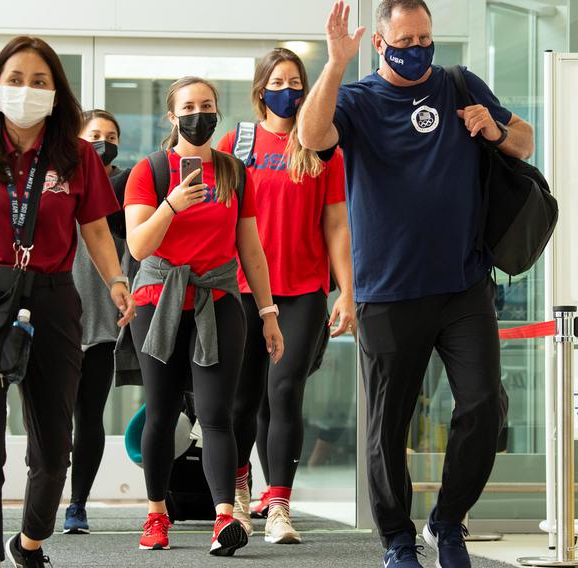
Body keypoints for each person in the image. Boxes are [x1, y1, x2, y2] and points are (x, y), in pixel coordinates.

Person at [296, 2, 534, 567]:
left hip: (464, 285)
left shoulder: (456, 84)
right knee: (387, 427)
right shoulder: (356, 100)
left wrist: (494, 128)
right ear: (380, 44)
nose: (419, 47)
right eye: (406, 39)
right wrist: (334, 65)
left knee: (483, 407)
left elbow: (523, 142)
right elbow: (310, 135)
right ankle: (397, 539)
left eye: (426, 37)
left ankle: (447, 522)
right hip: (388, 290)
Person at [0, 36, 136, 568]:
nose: (26, 90)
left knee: (54, 443)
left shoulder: (77, 155)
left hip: (53, 297)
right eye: (15, 80)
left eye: (40, 82)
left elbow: (96, 231)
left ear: (56, 94)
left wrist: (114, 280)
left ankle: (30, 539)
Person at [123, 76, 285, 557]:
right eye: (189, 107)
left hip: (217, 300)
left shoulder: (235, 172)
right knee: (161, 413)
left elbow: (251, 249)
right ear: (172, 117)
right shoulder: (149, 171)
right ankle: (156, 515)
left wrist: (268, 311)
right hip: (158, 302)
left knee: (218, 416)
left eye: (208, 105)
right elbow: (138, 245)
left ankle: (223, 520)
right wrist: (172, 204)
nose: (200, 114)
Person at [215, 47, 355, 544]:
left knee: (285, 389)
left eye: (297, 81)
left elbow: (336, 223)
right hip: (244, 289)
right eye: (278, 81)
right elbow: (219, 217)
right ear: (261, 89)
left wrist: (348, 292)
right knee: (242, 401)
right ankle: (237, 492)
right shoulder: (240, 141)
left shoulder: (321, 147)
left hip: (302, 291)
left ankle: (279, 507)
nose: (289, 90)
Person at [64, 109, 132, 534]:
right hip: (57, 319)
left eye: (110, 135)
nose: (103, 142)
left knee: (89, 417)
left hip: (105, 323)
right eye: (94, 135)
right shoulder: (59, 182)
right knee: (52, 420)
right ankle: (43, 486)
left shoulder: (127, 189)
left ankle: (78, 504)